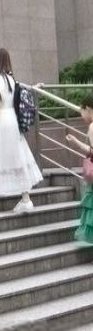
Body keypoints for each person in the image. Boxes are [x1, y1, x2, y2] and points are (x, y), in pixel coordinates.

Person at [0, 54, 42, 212]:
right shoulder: (8, 79)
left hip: (1, 121)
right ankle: (25, 198)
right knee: (17, 157)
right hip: (13, 120)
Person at [66, 94, 93, 243]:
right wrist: (76, 141)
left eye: (81, 111)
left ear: (87, 109)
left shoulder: (92, 126)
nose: (81, 116)